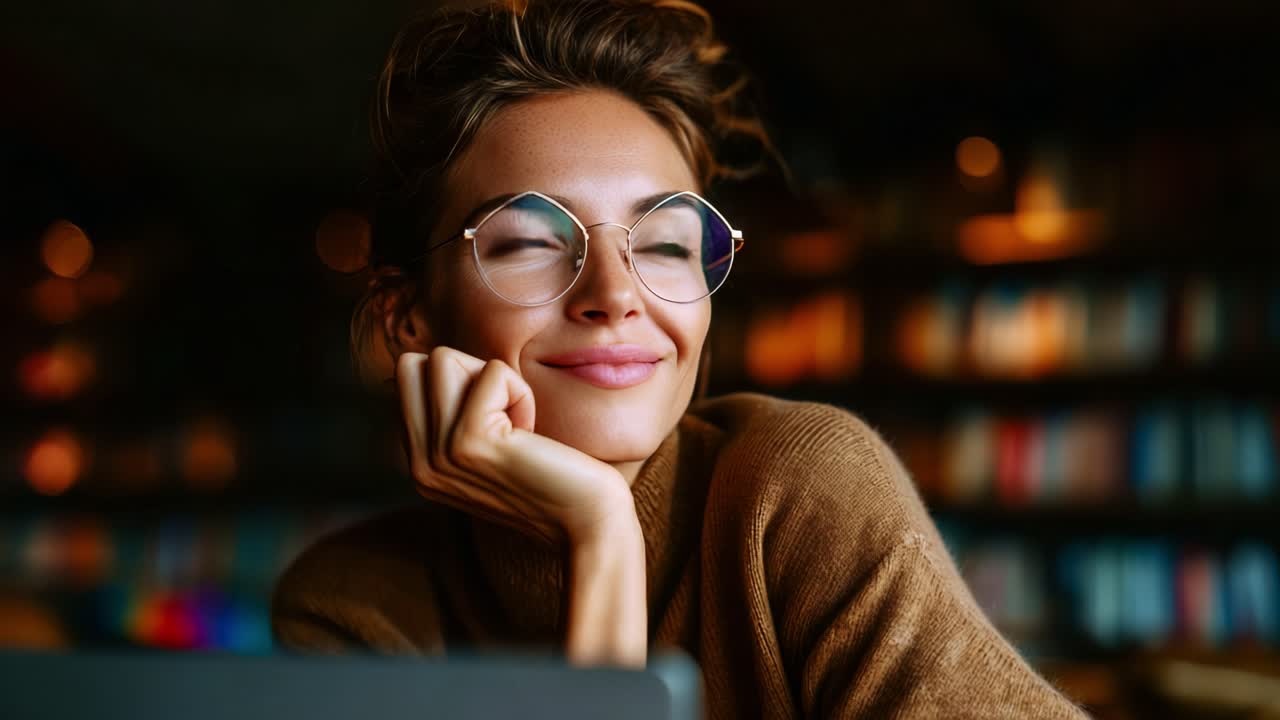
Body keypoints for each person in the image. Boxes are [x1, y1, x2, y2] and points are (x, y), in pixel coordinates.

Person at [271, 0, 1089, 716]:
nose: (616, 294)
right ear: (407, 315)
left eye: (664, 243)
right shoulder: (352, 610)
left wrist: (600, 533)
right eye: (527, 241)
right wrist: (599, 543)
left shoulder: (798, 490)